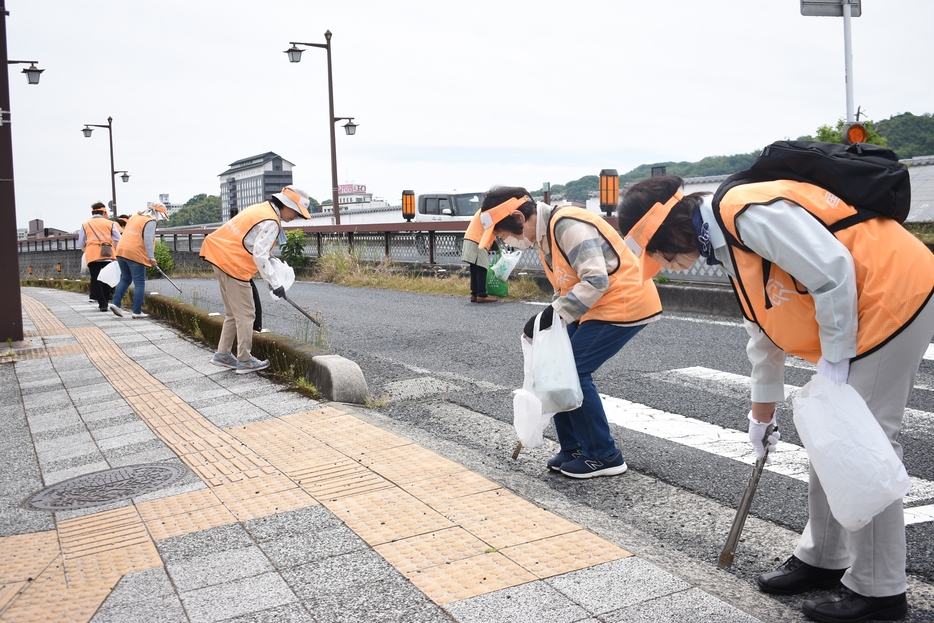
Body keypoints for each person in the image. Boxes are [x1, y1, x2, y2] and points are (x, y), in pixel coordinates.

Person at [617, 174, 934, 623]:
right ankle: (824, 558)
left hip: (895, 297)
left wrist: (836, 359)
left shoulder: (745, 212)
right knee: (832, 442)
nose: (666, 265)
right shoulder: (726, 246)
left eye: (661, 254)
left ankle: (880, 592)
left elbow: (832, 270)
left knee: (865, 447)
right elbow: (764, 336)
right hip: (862, 306)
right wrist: (760, 417)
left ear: (672, 230)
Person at [478, 186, 662, 478]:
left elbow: (596, 279)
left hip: (622, 302)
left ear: (517, 216)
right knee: (555, 367)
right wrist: (544, 324)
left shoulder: (566, 225)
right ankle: (574, 447)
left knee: (571, 370)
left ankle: (604, 455)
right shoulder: (544, 235)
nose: (505, 240)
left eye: (503, 234)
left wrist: (551, 316)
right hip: (595, 306)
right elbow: (567, 287)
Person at [199, 185, 310, 374]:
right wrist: (276, 285)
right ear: (286, 205)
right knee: (246, 314)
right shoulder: (272, 221)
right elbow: (260, 254)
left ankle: (223, 354)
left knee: (233, 313)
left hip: (217, 255)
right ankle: (244, 360)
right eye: (296, 212)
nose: (296, 217)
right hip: (233, 264)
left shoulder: (261, 209)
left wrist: (271, 278)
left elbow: (254, 247)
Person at [109, 202, 167, 319]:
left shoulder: (136, 216)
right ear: (158, 213)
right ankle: (137, 311)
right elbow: (148, 238)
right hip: (135, 253)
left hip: (121, 250)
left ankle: (115, 303)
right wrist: (151, 256)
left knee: (126, 278)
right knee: (139, 283)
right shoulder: (150, 221)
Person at [77, 202, 121, 312]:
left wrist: (87, 249)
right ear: (103, 212)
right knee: (108, 278)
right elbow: (118, 239)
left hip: (92, 255)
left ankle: (102, 304)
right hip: (108, 253)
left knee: (96, 279)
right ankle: (107, 298)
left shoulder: (85, 225)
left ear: (92, 212)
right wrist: (114, 249)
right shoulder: (110, 223)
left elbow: (81, 242)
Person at [461, 209, 500, 303]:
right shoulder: (487, 212)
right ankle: (481, 294)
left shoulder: (482, 211)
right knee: (482, 267)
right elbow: (489, 229)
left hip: (470, 239)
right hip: (478, 240)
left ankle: (474, 293)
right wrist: (497, 248)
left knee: (474, 267)